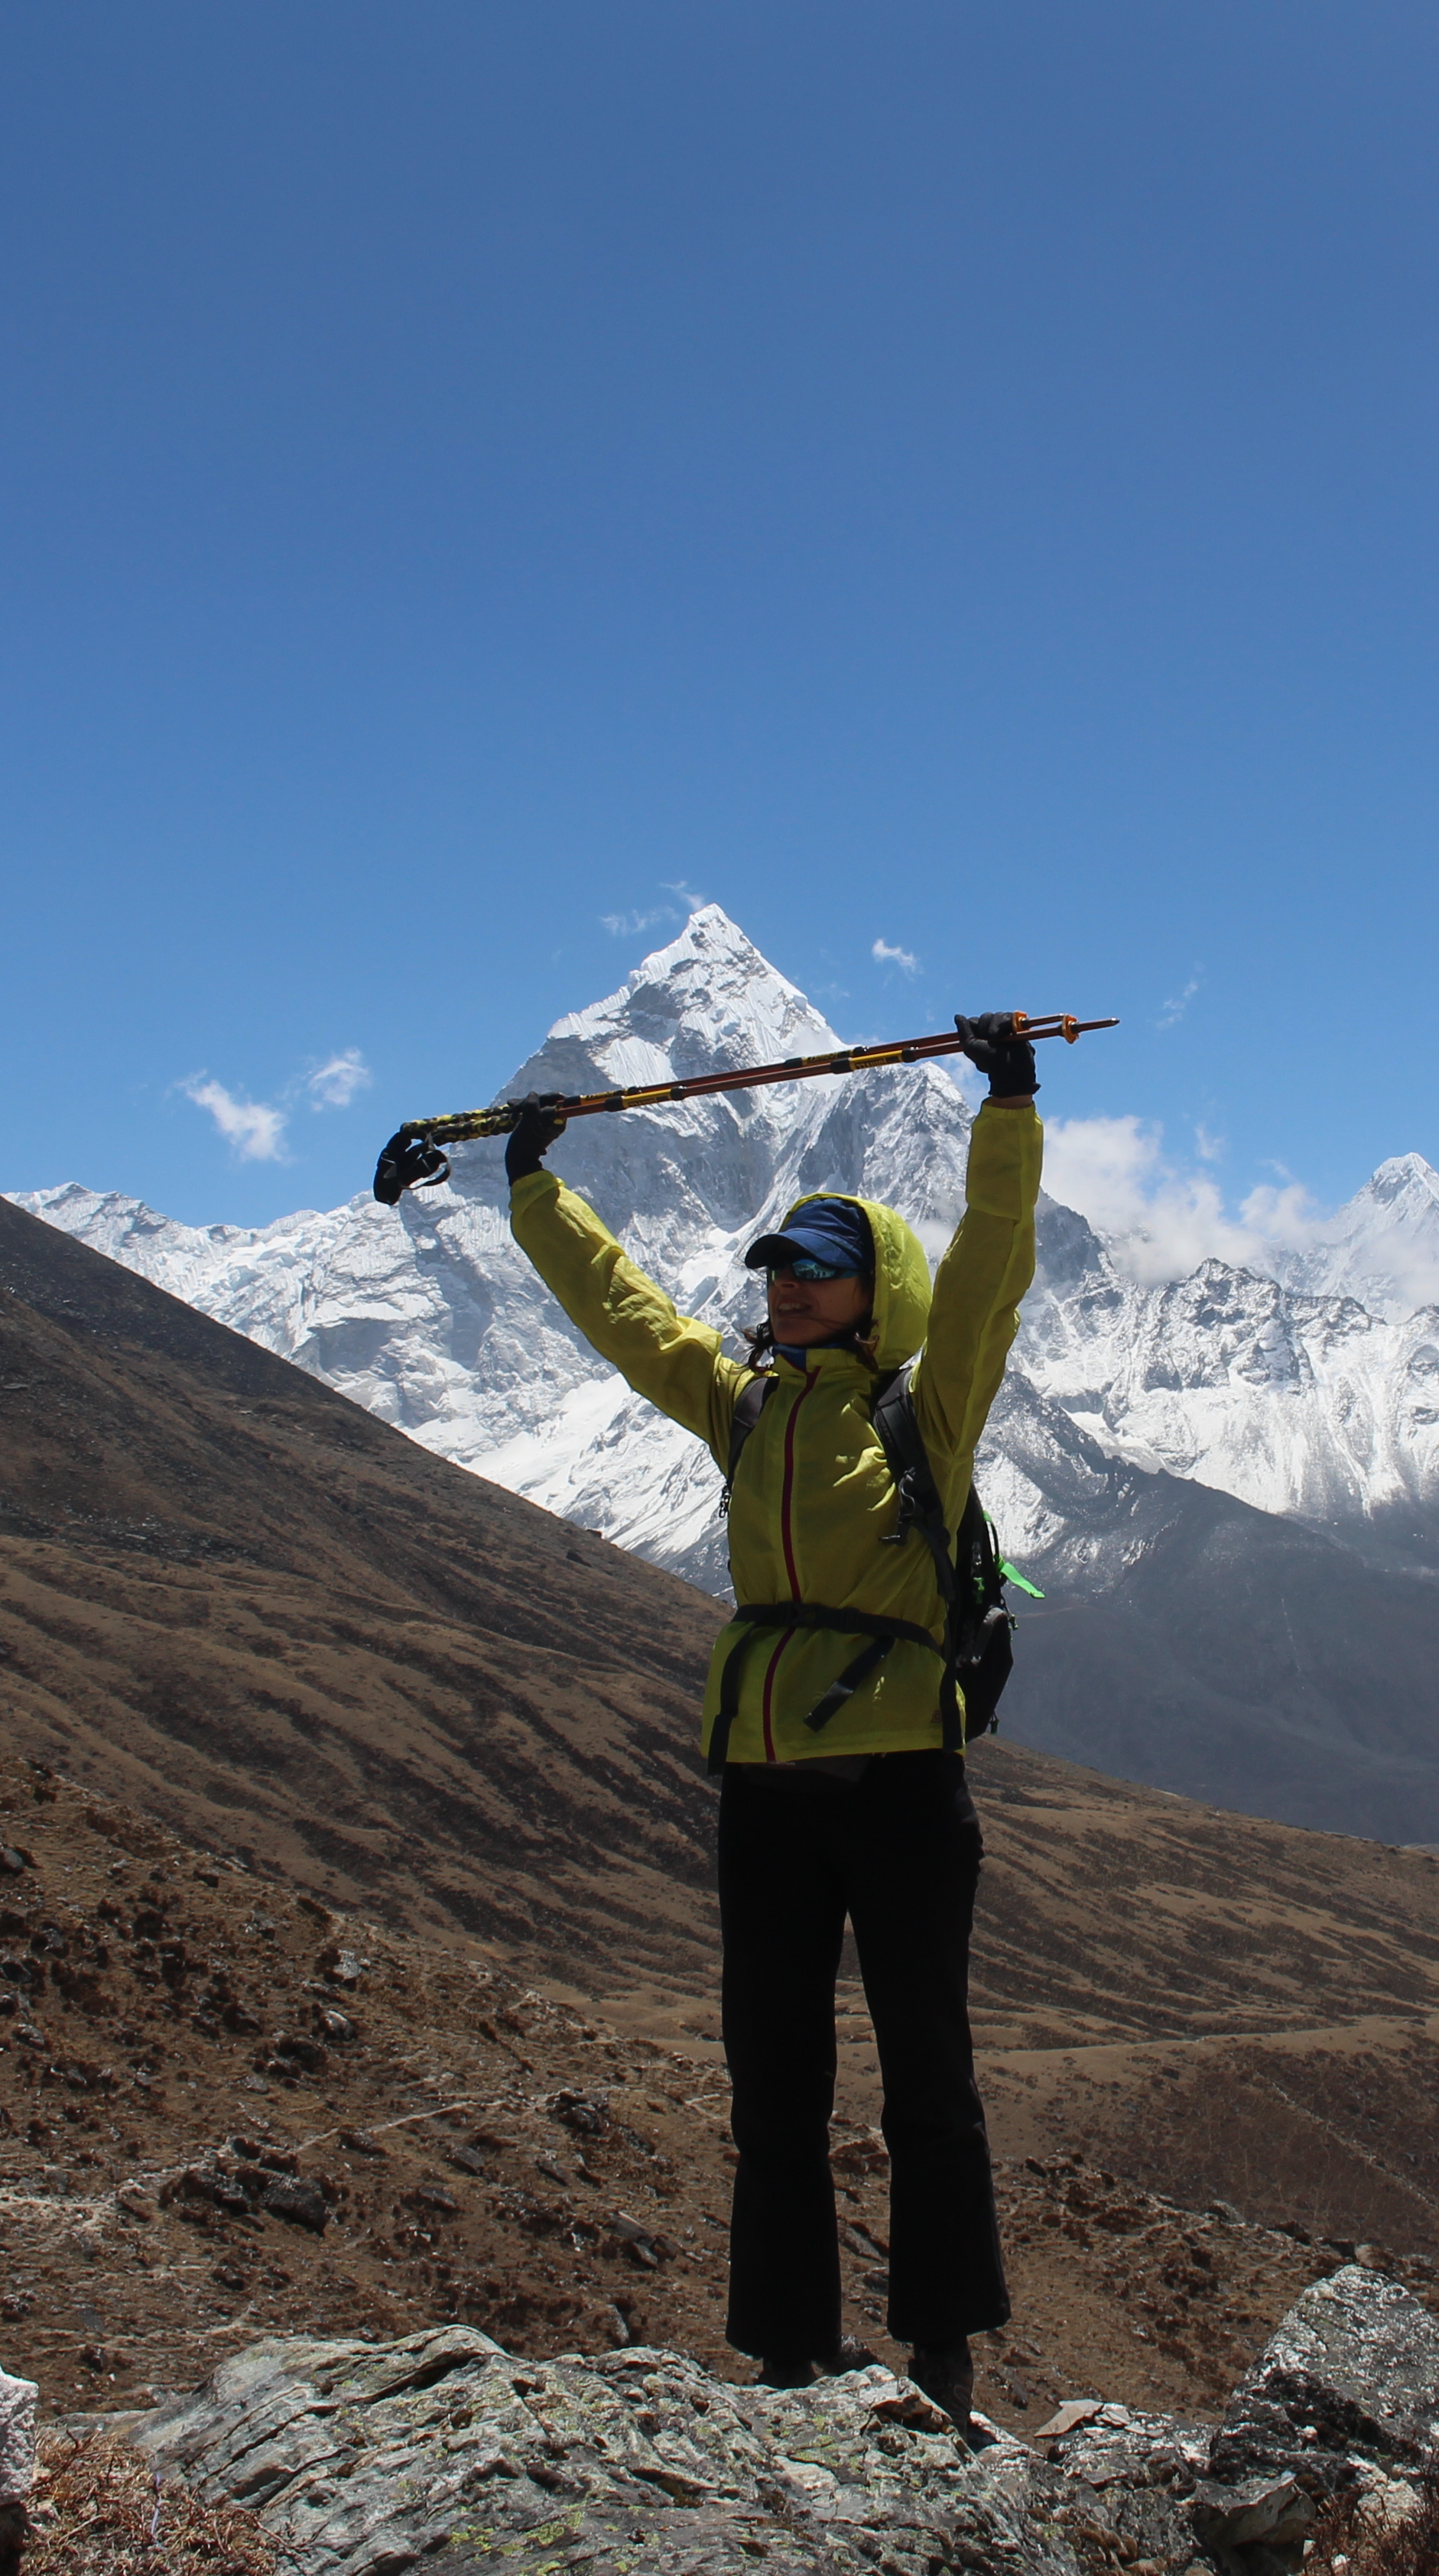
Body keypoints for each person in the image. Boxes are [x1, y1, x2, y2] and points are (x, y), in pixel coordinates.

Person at [502, 1009, 1044, 2426]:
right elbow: (627, 1316)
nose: (785, 1287)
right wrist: (535, 1191)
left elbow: (988, 1277)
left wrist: (1007, 1108)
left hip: (902, 1787)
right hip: (764, 1788)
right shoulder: (741, 1407)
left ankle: (942, 2344)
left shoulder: (924, 1421)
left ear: (876, 1297)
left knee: (929, 2067)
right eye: (777, 1265)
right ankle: (792, 2346)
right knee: (775, 2077)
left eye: (818, 1269)